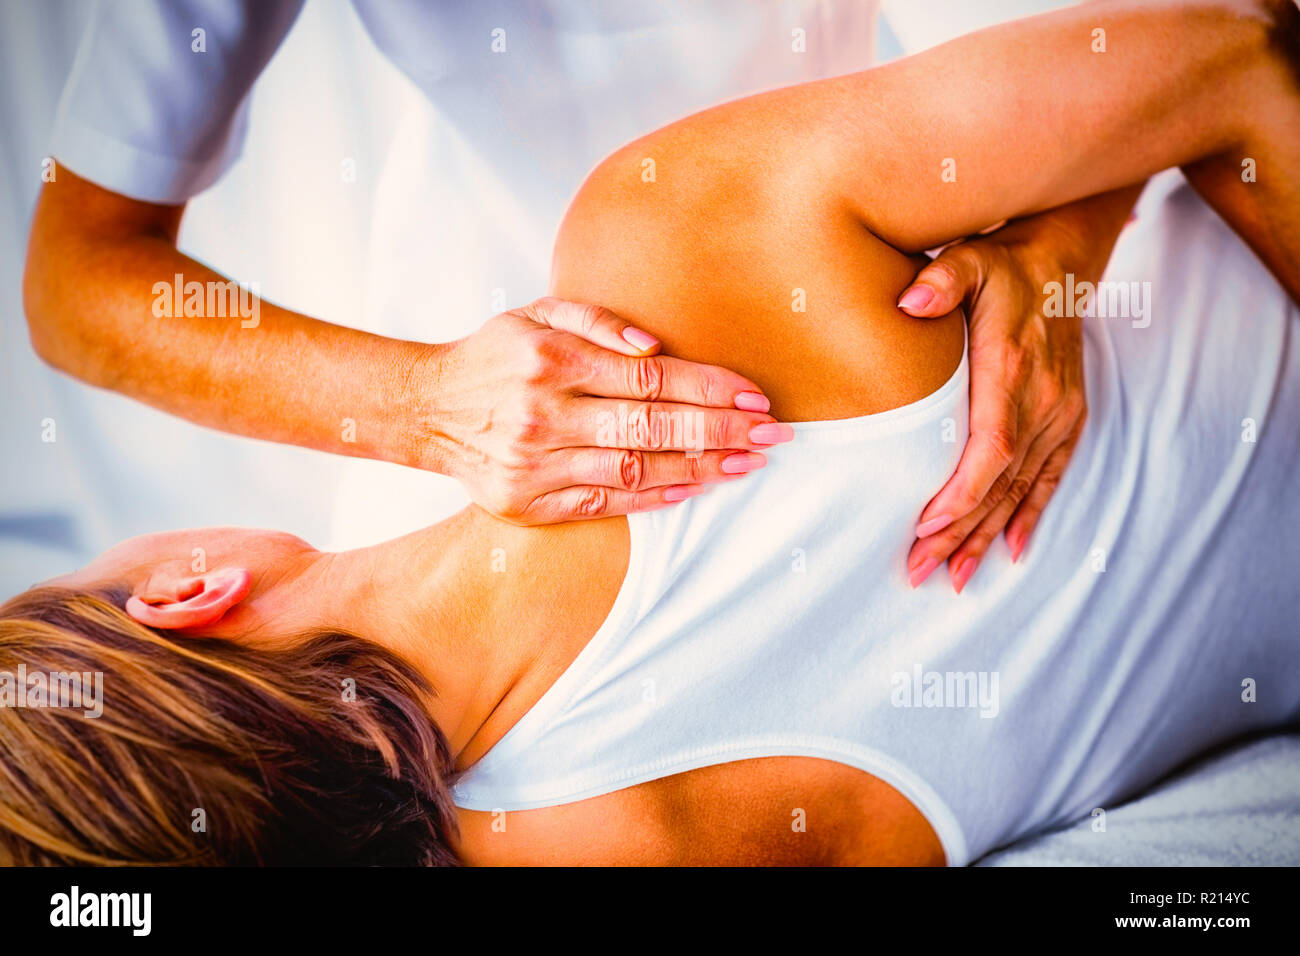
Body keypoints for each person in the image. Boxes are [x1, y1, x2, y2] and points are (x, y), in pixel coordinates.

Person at [3, 0, 1297, 866]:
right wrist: (1068, 210)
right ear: (182, 591)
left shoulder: (622, 840)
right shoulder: (671, 242)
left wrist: (1062, 218)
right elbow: (1236, 54)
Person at [26, 0, 1116, 588]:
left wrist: (1066, 240)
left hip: (912, 259)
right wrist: (427, 404)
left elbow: (1212, 33)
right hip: (497, 386)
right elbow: (79, 278)